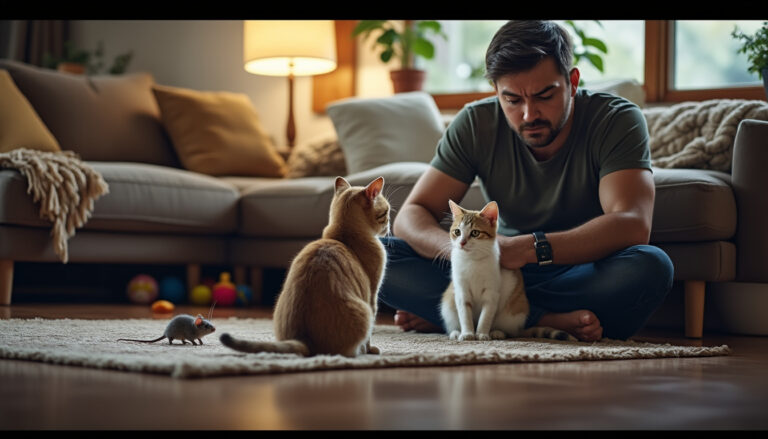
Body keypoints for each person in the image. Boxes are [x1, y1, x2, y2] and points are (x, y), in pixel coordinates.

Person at [378, 20, 674, 341]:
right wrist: (466, 257)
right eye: (513, 100)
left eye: (545, 95)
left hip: (578, 269)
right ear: (496, 91)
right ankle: (542, 319)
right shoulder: (476, 123)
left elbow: (632, 224)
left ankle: (484, 317)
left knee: (651, 266)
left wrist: (529, 249)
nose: (529, 114)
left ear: (572, 82)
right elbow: (412, 213)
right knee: (371, 252)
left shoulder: (616, 119)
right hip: (493, 271)